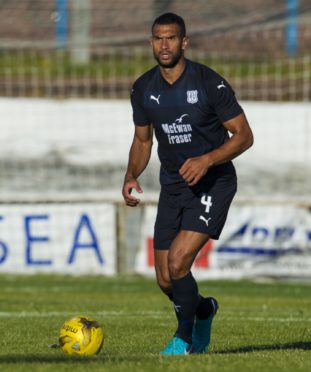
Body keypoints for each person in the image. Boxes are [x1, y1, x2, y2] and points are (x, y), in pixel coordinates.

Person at [122, 12, 253, 355]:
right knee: (166, 278)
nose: (163, 45)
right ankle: (204, 310)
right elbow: (143, 141)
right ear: (151, 42)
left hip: (214, 183)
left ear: (184, 42)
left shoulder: (209, 83)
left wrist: (208, 159)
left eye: (170, 38)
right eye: (157, 38)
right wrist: (131, 174)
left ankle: (184, 339)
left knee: (179, 262)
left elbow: (244, 136)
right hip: (174, 187)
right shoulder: (143, 88)